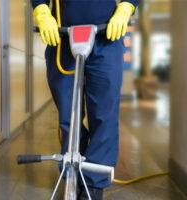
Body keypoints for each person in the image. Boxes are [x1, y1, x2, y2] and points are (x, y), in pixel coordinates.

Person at [31, 0, 139, 199]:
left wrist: (127, 7)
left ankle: (94, 183)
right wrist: (41, 9)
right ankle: (72, 173)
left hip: (106, 36)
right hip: (63, 37)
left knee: (103, 114)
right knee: (68, 114)